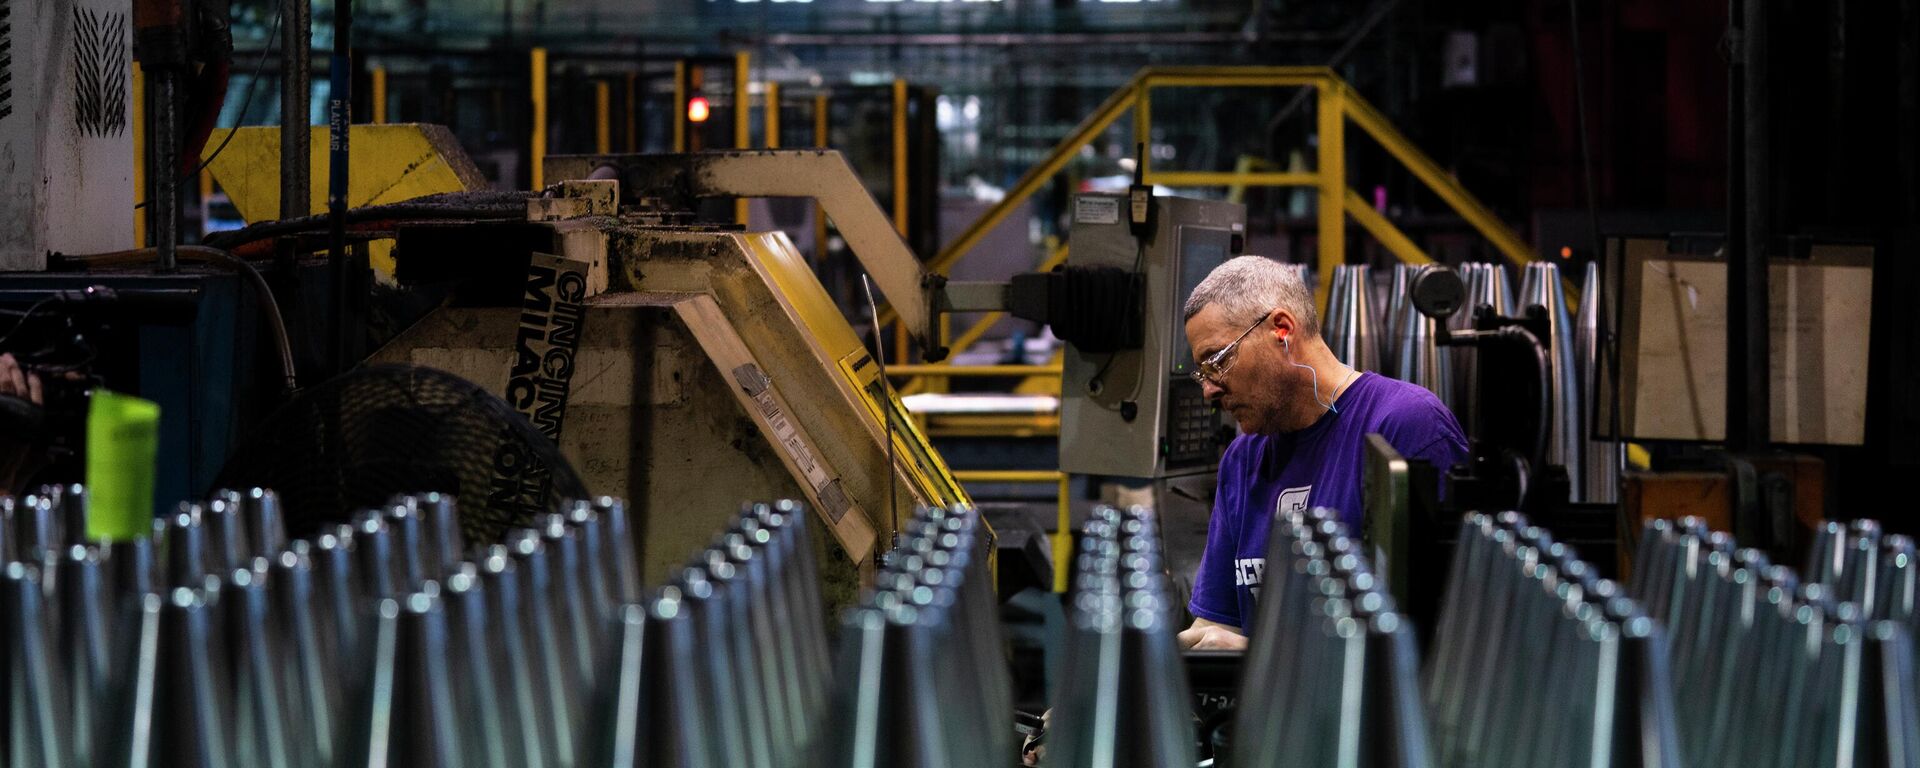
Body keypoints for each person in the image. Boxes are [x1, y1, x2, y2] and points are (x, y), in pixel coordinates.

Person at [1175, 256, 1468, 650]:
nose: (1209, 390)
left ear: (1281, 329)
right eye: (1202, 373)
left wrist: (1257, 656)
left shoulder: (1406, 428)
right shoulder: (1243, 459)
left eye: (1218, 361)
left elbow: (1445, 640)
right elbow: (1217, 625)